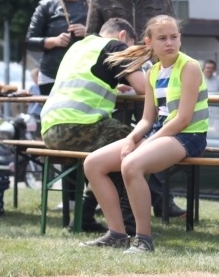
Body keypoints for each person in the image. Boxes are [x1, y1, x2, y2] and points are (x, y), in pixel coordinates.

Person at [81, 15, 208, 253]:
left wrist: (148, 142)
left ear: (180, 39)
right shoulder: (153, 72)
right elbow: (147, 119)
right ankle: (117, 234)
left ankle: (143, 239)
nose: (169, 42)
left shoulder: (189, 67)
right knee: (93, 163)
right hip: (162, 132)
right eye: (162, 38)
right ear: (149, 43)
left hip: (189, 135)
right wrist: (131, 138)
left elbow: (183, 119)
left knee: (131, 165)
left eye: (174, 37)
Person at [85, 0, 183, 218]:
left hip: (155, 73)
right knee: (121, 137)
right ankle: (111, 202)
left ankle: (163, 199)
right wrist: (114, 78)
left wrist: (170, 69)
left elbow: (173, 34)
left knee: (160, 132)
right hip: (118, 78)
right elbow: (93, 41)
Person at [40, 18, 146, 232]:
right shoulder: (115, 46)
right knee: (138, 148)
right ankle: (129, 224)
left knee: (107, 158)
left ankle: (84, 218)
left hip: (50, 130)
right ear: (123, 36)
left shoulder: (77, 47)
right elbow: (143, 86)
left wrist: (116, 87)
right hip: (79, 126)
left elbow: (86, 80)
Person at [26, 0, 89, 96]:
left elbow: (108, 39)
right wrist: (53, 41)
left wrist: (88, 33)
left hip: (87, 76)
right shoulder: (46, 6)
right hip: (51, 75)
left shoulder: (94, 5)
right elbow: (29, 41)